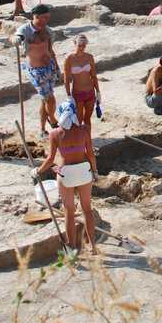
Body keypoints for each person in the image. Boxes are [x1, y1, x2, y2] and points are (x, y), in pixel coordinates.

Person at [34, 100, 97, 253]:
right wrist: (94, 171)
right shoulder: (84, 130)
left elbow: (50, 159)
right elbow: (90, 154)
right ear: (75, 113)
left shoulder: (55, 133)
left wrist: (38, 171)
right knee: (87, 210)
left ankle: (72, 249)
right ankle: (93, 247)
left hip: (66, 174)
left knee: (69, 212)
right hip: (84, 171)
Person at [16, 4, 60, 134]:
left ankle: (42, 129)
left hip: (49, 68)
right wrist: (16, 39)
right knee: (50, 99)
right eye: (44, 18)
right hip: (36, 71)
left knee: (44, 100)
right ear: (35, 16)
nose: (46, 21)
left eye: (47, 18)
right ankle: (53, 121)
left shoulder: (48, 31)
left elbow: (50, 50)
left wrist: (57, 67)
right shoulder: (25, 30)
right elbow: (18, 36)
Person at [63, 34, 101, 126]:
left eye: (84, 45)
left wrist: (98, 92)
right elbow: (66, 79)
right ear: (74, 44)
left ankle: (88, 139)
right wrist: (68, 95)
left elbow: (93, 76)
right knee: (78, 119)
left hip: (90, 92)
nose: (82, 47)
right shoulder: (69, 59)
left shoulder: (89, 57)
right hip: (77, 93)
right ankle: (78, 140)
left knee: (87, 118)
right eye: (80, 45)